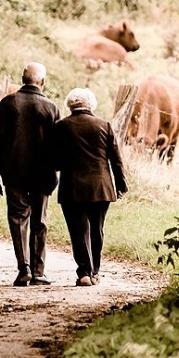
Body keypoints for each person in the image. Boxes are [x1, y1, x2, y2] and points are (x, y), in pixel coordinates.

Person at [0, 62, 60, 287]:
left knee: (18, 219)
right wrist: (55, 170)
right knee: (39, 221)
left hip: (13, 173)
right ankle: (39, 272)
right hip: (43, 174)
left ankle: (24, 269)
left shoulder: (8, 104)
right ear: (43, 82)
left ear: (22, 79)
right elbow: (57, 147)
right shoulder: (51, 107)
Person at [54, 88, 128, 287]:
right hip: (101, 186)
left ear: (70, 105)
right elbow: (116, 160)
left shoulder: (61, 126)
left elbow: (55, 161)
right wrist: (121, 185)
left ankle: (84, 272)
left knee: (78, 231)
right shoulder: (104, 125)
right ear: (91, 105)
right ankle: (95, 271)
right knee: (97, 229)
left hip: (72, 187)